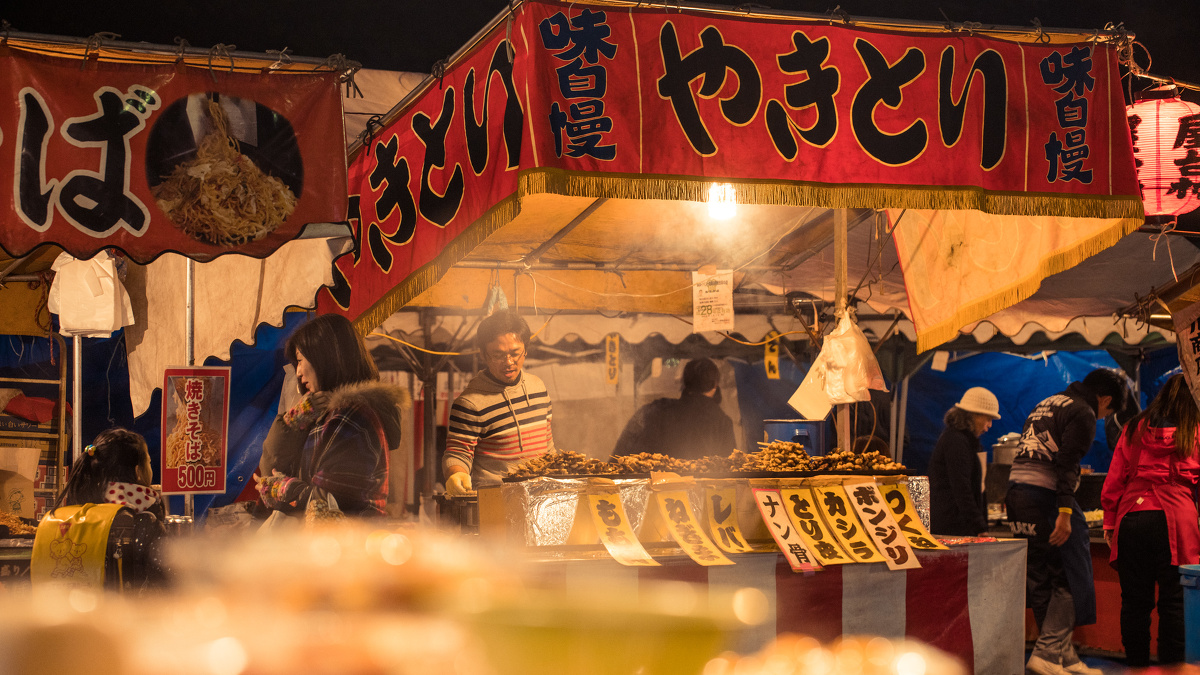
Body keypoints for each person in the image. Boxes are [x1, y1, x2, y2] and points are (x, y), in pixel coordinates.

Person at [1006, 368, 1128, 675]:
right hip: (1046, 498)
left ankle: (1063, 656)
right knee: (1073, 577)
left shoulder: (1048, 401)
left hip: (1017, 497)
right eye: (1107, 412)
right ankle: (1047, 653)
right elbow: (1067, 463)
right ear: (1105, 399)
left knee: (1043, 577)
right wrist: (1063, 512)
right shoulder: (1083, 411)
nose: (1102, 418)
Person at [256, 314, 407, 517]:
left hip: (346, 543)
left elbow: (328, 504)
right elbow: (271, 468)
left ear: (325, 358)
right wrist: (292, 422)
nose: (298, 372)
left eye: (300, 360)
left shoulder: (351, 418)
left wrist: (281, 489)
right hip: (330, 542)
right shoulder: (323, 415)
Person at [1101, 373, 1200, 667]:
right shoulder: (1194, 429)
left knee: (1134, 603)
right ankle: (1172, 670)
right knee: (1174, 602)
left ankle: (1136, 668)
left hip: (1132, 517)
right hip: (1176, 521)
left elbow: (1115, 478)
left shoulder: (1134, 427)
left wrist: (1109, 521)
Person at [443, 310, 554, 495]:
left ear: (525, 349)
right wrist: (456, 474)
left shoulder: (538, 387)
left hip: (542, 497)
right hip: (496, 501)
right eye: (498, 355)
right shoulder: (470, 403)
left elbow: (547, 444)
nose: (508, 362)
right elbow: (457, 453)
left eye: (515, 353)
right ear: (483, 355)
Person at [51, 427, 167, 588]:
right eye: (148, 462)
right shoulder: (147, 521)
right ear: (138, 471)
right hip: (127, 610)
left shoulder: (72, 515)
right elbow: (166, 584)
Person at [611, 358, 737, 460]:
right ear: (715, 385)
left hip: (657, 488)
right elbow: (729, 470)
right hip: (706, 491)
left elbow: (618, 459)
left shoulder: (656, 410)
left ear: (685, 382)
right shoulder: (722, 422)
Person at [928, 387, 1001, 536]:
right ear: (973, 416)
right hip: (952, 528)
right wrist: (979, 526)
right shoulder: (956, 441)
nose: (989, 425)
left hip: (958, 525)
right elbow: (962, 488)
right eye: (988, 419)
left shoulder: (965, 442)